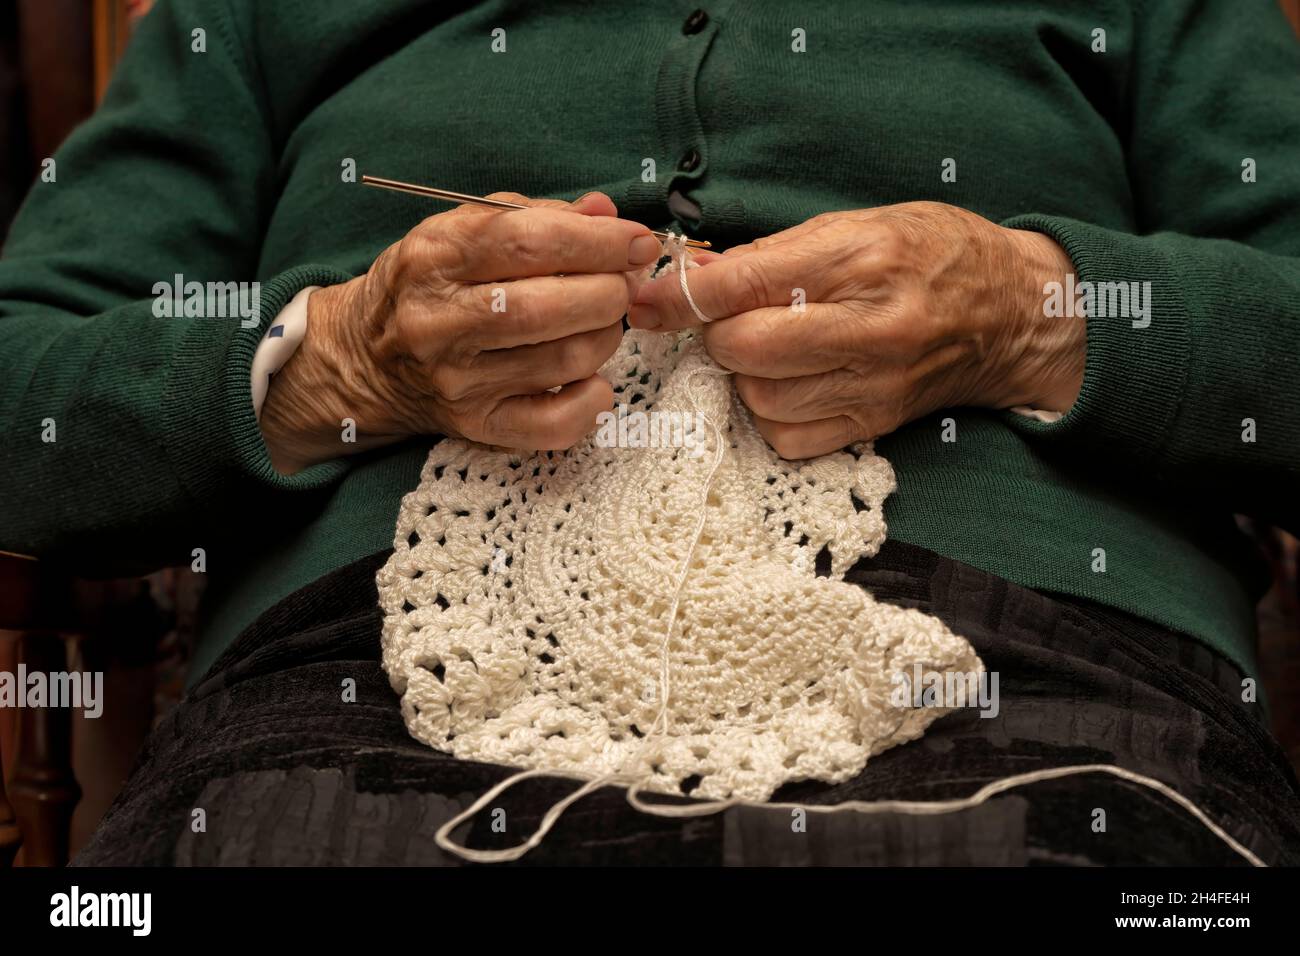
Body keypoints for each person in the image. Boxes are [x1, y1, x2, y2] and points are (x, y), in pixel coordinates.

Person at [2, 0, 1298, 865]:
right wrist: (337, 359)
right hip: (354, 680)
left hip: (1047, 662)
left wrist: (1033, 312)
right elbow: (23, 395)